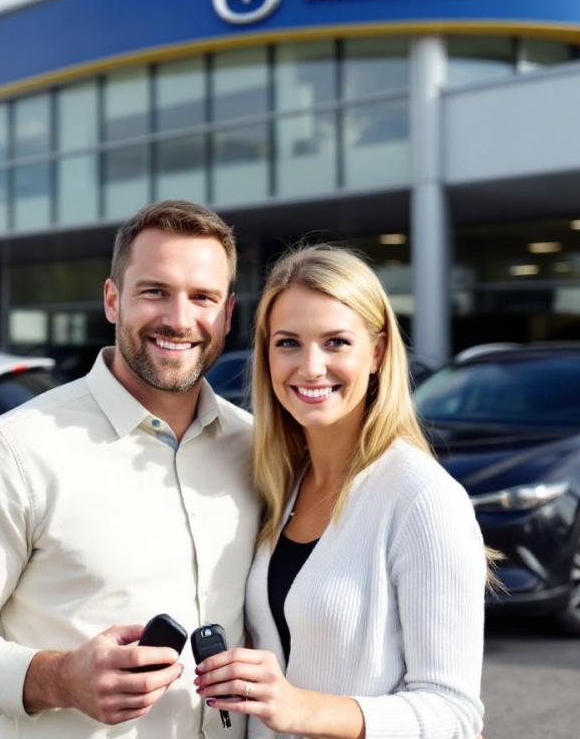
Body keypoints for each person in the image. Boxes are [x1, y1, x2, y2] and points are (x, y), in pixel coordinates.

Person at [0, 200, 261, 738]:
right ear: (113, 300)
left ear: (227, 314)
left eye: (201, 297)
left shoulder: (254, 448)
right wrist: (58, 678)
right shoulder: (13, 449)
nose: (179, 320)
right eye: (154, 291)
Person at [193, 246, 486, 739]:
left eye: (335, 342)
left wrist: (302, 709)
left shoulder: (422, 497)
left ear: (376, 352)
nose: (310, 367)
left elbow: (454, 714)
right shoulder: (282, 481)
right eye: (288, 343)